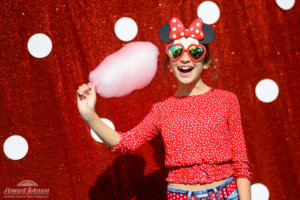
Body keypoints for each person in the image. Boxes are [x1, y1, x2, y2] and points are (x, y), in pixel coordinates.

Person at [77, 17, 252, 200]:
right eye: (176, 52)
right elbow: (124, 144)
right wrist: (90, 116)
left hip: (226, 193)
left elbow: (241, 164)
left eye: (195, 52)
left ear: (206, 62)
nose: (185, 58)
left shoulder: (227, 100)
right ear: (169, 64)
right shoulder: (161, 110)